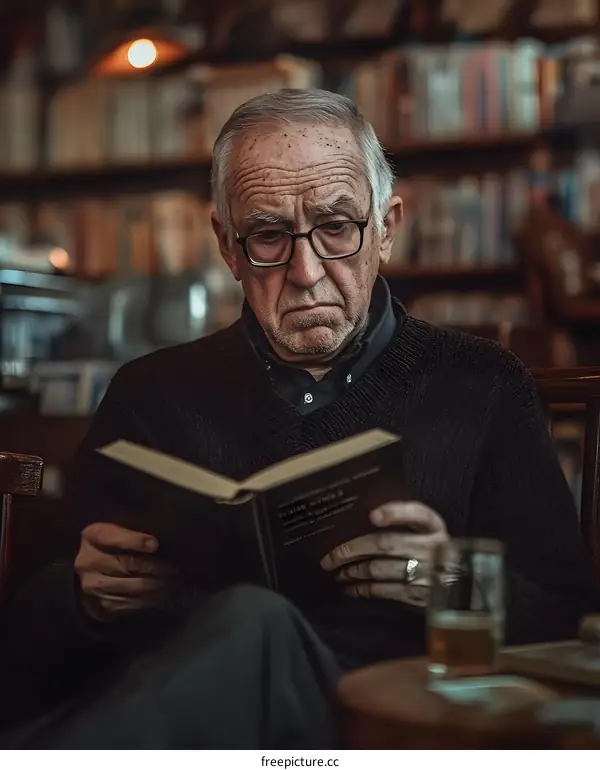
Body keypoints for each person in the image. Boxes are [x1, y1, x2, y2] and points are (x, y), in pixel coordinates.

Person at [0, 88, 597, 748]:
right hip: (200, 734)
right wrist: (86, 599)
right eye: (267, 235)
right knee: (248, 625)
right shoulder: (151, 393)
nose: (307, 271)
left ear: (388, 228)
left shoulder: (482, 384)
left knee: (259, 622)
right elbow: (28, 631)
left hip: (382, 731)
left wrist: (453, 581)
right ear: (228, 247)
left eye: (337, 227)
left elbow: (569, 618)